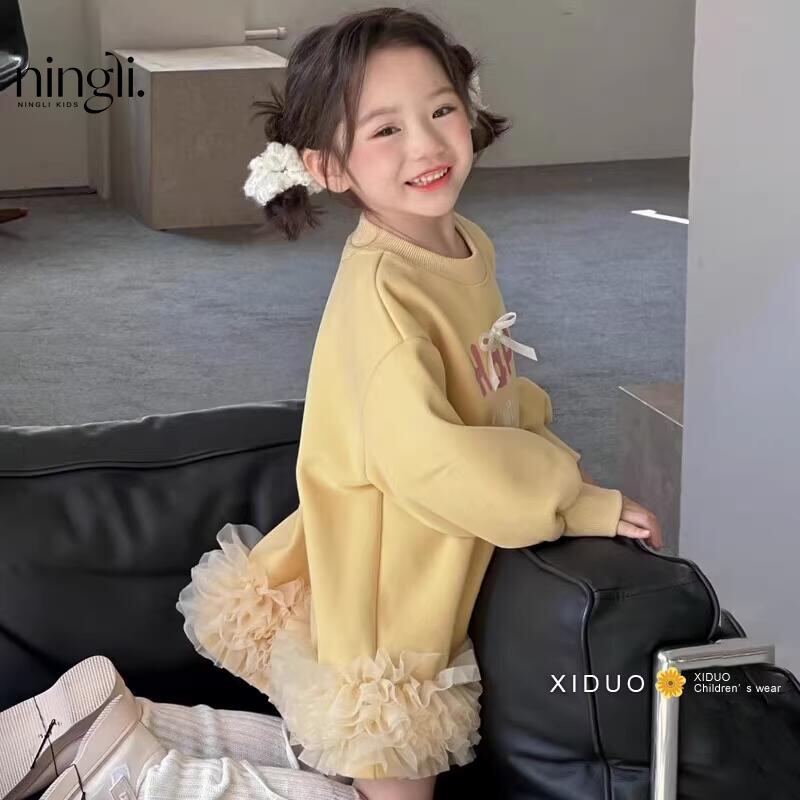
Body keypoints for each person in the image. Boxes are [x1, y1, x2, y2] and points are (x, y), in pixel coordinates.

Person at [0, 7, 663, 800]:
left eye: (441, 109)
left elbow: (489, 387)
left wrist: (551, 453)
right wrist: (569, 501)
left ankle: (122, 726)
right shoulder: (386, 297)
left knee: (334, 762)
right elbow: (434, 462)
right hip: (389, 605)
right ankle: (132, 770)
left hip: (409, 565)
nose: (426, 145)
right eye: (385, 130)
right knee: (383, 785)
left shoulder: (460, 243)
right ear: (329, 166)